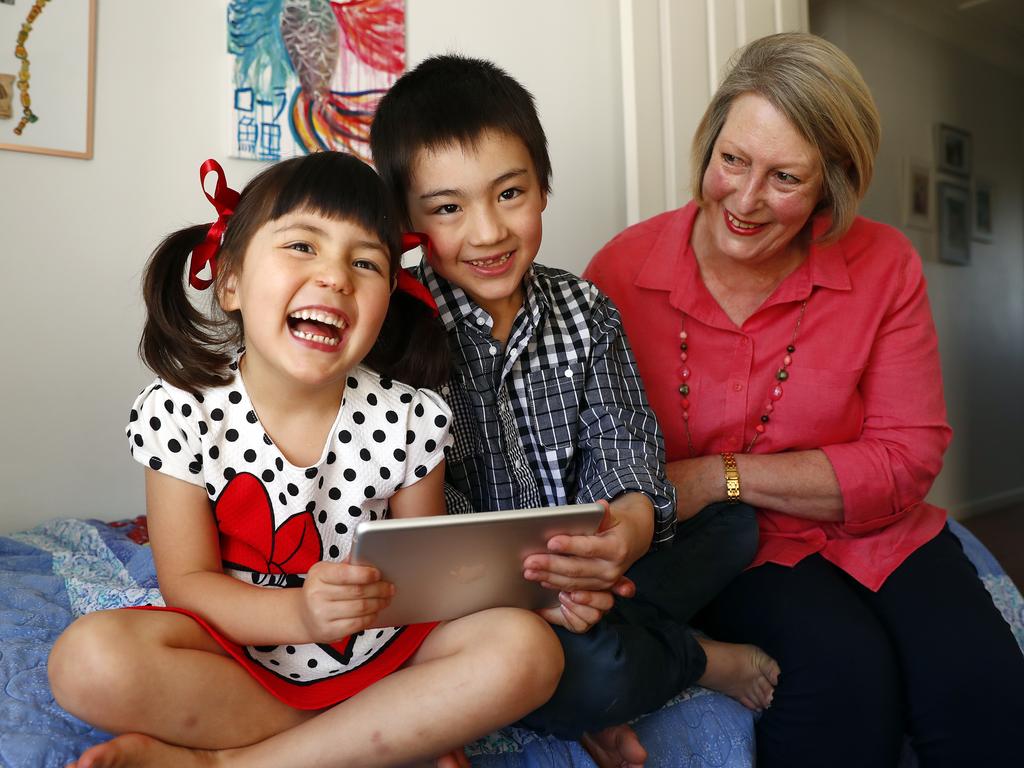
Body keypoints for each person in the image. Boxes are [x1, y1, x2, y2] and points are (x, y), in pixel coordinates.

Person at [584, 32, 1024, 768]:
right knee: (841, 684)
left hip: (880, 530)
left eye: (786, 177)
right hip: (735, 550)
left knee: (983, 692)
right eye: (733, 160)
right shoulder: (621, 273)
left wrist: (719, 476)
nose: (746, 201)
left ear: (834, 184)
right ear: (710, 144)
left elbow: (907, 457)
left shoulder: (885, 265)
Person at [47, 151, 565, 768]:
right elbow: (186, 586)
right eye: (302, 246)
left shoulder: (412, 418)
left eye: (366, 262)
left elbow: (428, 580)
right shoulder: (178, 412)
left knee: (528, 651)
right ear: (231, 280)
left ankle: (228, 762)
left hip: (379, 650)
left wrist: (539, 591)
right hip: (240, 645)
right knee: (87, 661)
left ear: (386, 303)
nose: (335, 277)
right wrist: (299, 613)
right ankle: (380, 735)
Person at [370, 55, 779, 768]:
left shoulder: (586, 310)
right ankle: (689, 658)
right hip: (490, 603)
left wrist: (624, 530)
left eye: (509, 193)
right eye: (447, 208)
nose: (489, 231)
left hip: (598, 561)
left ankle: (607, 644)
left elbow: (624, 443)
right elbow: (423, 533)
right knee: (590, 674)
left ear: (543, 187)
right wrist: (537, 595)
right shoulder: (397, 335)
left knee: (735, 525)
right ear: (406, 220)